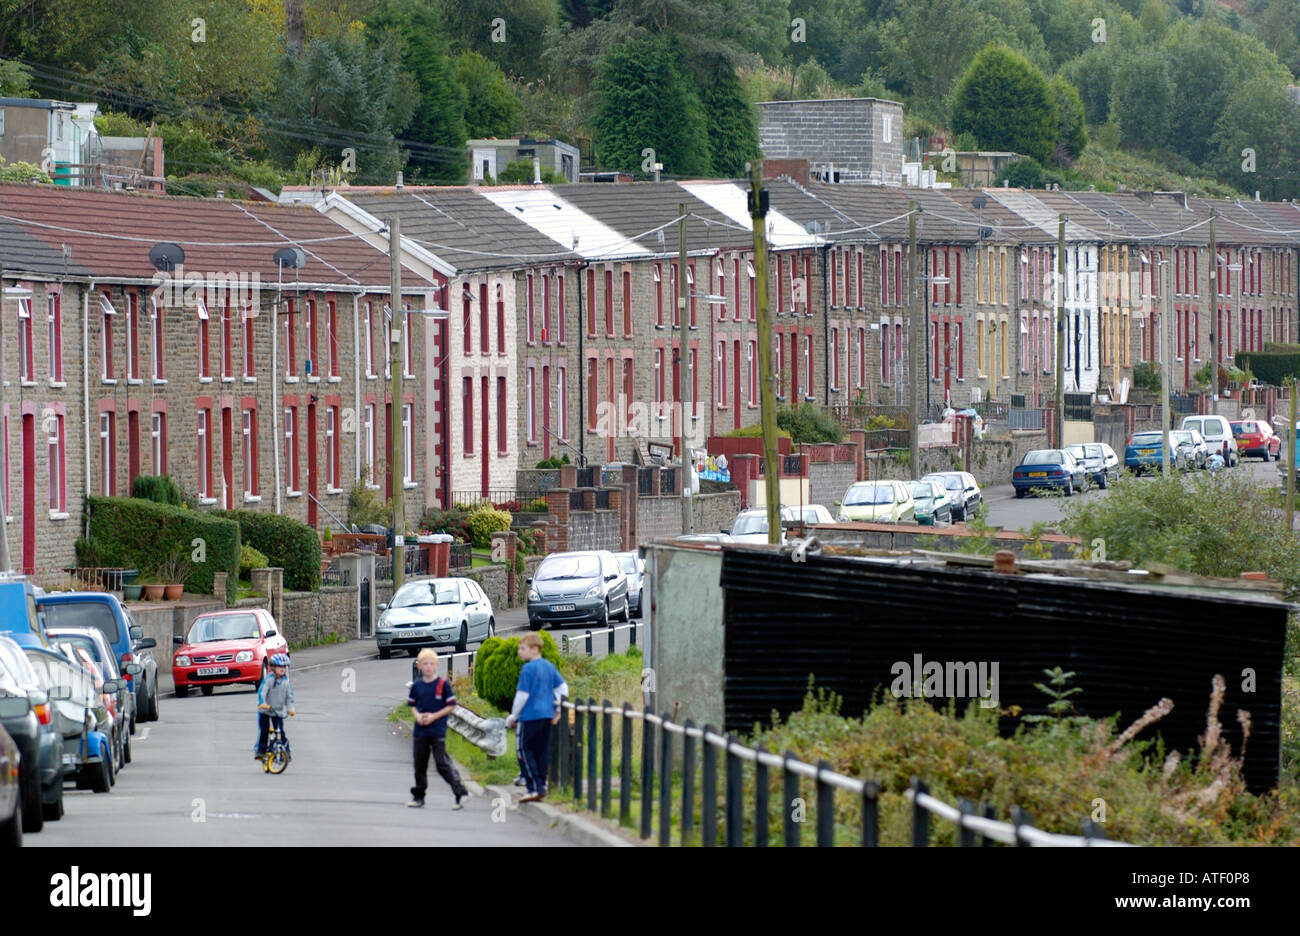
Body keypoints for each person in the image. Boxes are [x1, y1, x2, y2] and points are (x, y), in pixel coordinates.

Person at [506, 634, 569, 803]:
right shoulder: (549, 666)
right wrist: (559, 708)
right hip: (547, 714)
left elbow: (522, 695)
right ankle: (541, 785)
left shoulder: (528, 669)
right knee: (542, 751)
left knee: (524, 750)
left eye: (522, 648)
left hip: (529, 716)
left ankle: (533, 787)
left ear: (534, 649)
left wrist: (514, 715)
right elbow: (563, 688)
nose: (519, 652)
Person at [407, 649, 468, 809]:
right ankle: (419, 796)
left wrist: (434, 716)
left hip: (437, 730)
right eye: (425, 664)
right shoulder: (417, 686)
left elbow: (451, 705)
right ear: (419, 666)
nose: (428, 667)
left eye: (431, 664)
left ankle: (459, 791)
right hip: (420, 731)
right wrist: (418, 716)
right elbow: (412, 705)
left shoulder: (442, 685)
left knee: (441, 763)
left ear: (436, 666)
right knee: (420, 764)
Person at [256, 653, 295, 759]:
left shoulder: (286, 683)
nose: (282, 669)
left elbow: (289, 697)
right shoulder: (269, 680)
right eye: (280, 666)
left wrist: (291, 708)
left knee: (281, 732)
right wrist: (262, 703)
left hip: (278, 712)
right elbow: (262, 692)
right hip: (266, 710)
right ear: (273, 667)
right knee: (265, 730)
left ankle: (286, 753)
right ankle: (261, 751)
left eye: (284, 667)